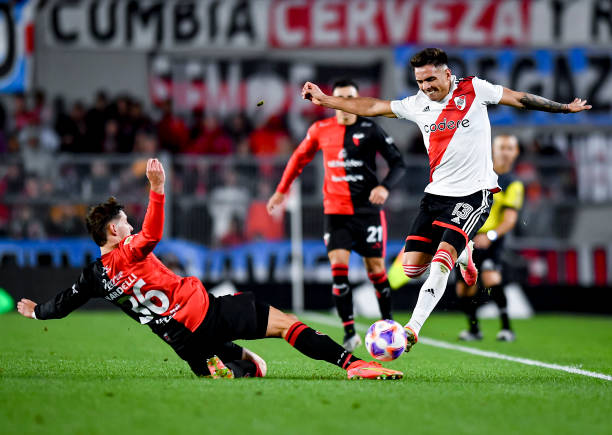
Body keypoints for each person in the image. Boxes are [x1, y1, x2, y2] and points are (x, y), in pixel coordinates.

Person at [301, 48, 591, 353]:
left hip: (473, 194)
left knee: (441, 261)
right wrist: (325, 100)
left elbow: (519, 98)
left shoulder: (474, 89)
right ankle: (465, 253)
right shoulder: (417, 104)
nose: (425, 87)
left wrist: (563, 108)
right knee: (412, 269)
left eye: (430, 79)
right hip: (436, 195)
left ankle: (412, 328)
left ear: (447, 73)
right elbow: (373, 105)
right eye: (419, 81)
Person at [16, 158, 402, 381]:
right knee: (286, 324)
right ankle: (352, 365)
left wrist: (37, 312)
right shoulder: (128, 249)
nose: (129, 226)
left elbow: (63, 304)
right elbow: (151, 234)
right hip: (205, 313)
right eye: (125, 223)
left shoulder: (94, 276)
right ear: (114, 231)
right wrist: (158, 188)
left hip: (182, 343)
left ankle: (223, 364)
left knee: (254, 368)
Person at [267, 79, 406, 352]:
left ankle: (389, 326)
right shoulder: (320, 129)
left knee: (376, 271)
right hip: (336, 212)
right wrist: (282, 190)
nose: (345, 104)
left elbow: (398, 163)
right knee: (338, 270)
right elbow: (298, 159)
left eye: (350, 98)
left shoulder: (370, 129)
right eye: (340, 98)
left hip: (367, 212)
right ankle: (349, 332)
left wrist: (384, 187)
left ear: (357, 100)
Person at [456, 134, 523, 342]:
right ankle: (474, 329)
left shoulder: (513, 184)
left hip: (492, 239)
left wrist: (490, 236)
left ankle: (506, 328)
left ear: (516, 153)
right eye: (501, 147)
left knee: (490, 277)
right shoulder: (477, 174)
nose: (505, 152)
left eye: (509, 148)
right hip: (467, 237)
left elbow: (510, 220)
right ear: (493, 150)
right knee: (464, 287)